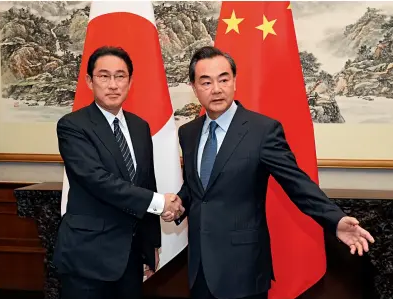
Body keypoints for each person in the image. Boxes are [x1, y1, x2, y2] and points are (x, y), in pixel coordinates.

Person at [162, 46, 375, 299]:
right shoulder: (189, 133)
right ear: (194, 87)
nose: (216, 89)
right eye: (206, 82)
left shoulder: (262, 130)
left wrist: (335, 220)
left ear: (234, 82)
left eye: (224, 79)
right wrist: (179, 202)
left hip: (244, 269)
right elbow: (199, 187)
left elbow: (298, 183)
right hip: (199, 268)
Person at [53, 46, 184, 299]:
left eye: (120, 76)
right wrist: (160, 202)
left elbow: (146, 182)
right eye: (104, 76)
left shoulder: (140, 127)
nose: (112, 84)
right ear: (90, 81)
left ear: (130, 81)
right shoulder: (72, 126)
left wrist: (150, 245)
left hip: (130, 257)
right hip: (86, 258)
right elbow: (97, 180)